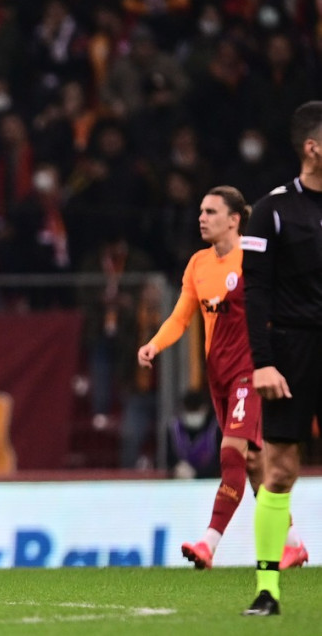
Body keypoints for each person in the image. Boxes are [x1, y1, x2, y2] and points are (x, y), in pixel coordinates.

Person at [137, 185, 306, 571]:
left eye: (211, 211)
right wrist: (154, 345)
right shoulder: (198, 264)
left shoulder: (255, 258)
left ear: (234, 220)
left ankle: (208, 543)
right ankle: (293, 544)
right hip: (219, 373)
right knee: (254, 464)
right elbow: (181, 316)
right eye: (200, 211)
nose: (202, 217)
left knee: (231, 452)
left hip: (251, 369)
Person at [241, 101, 322, 617]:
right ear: (313, 148)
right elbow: (255, 293)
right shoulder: (270, 211)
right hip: (293, 349)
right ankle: (267, 589)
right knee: (281, 470)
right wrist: (263, 362)